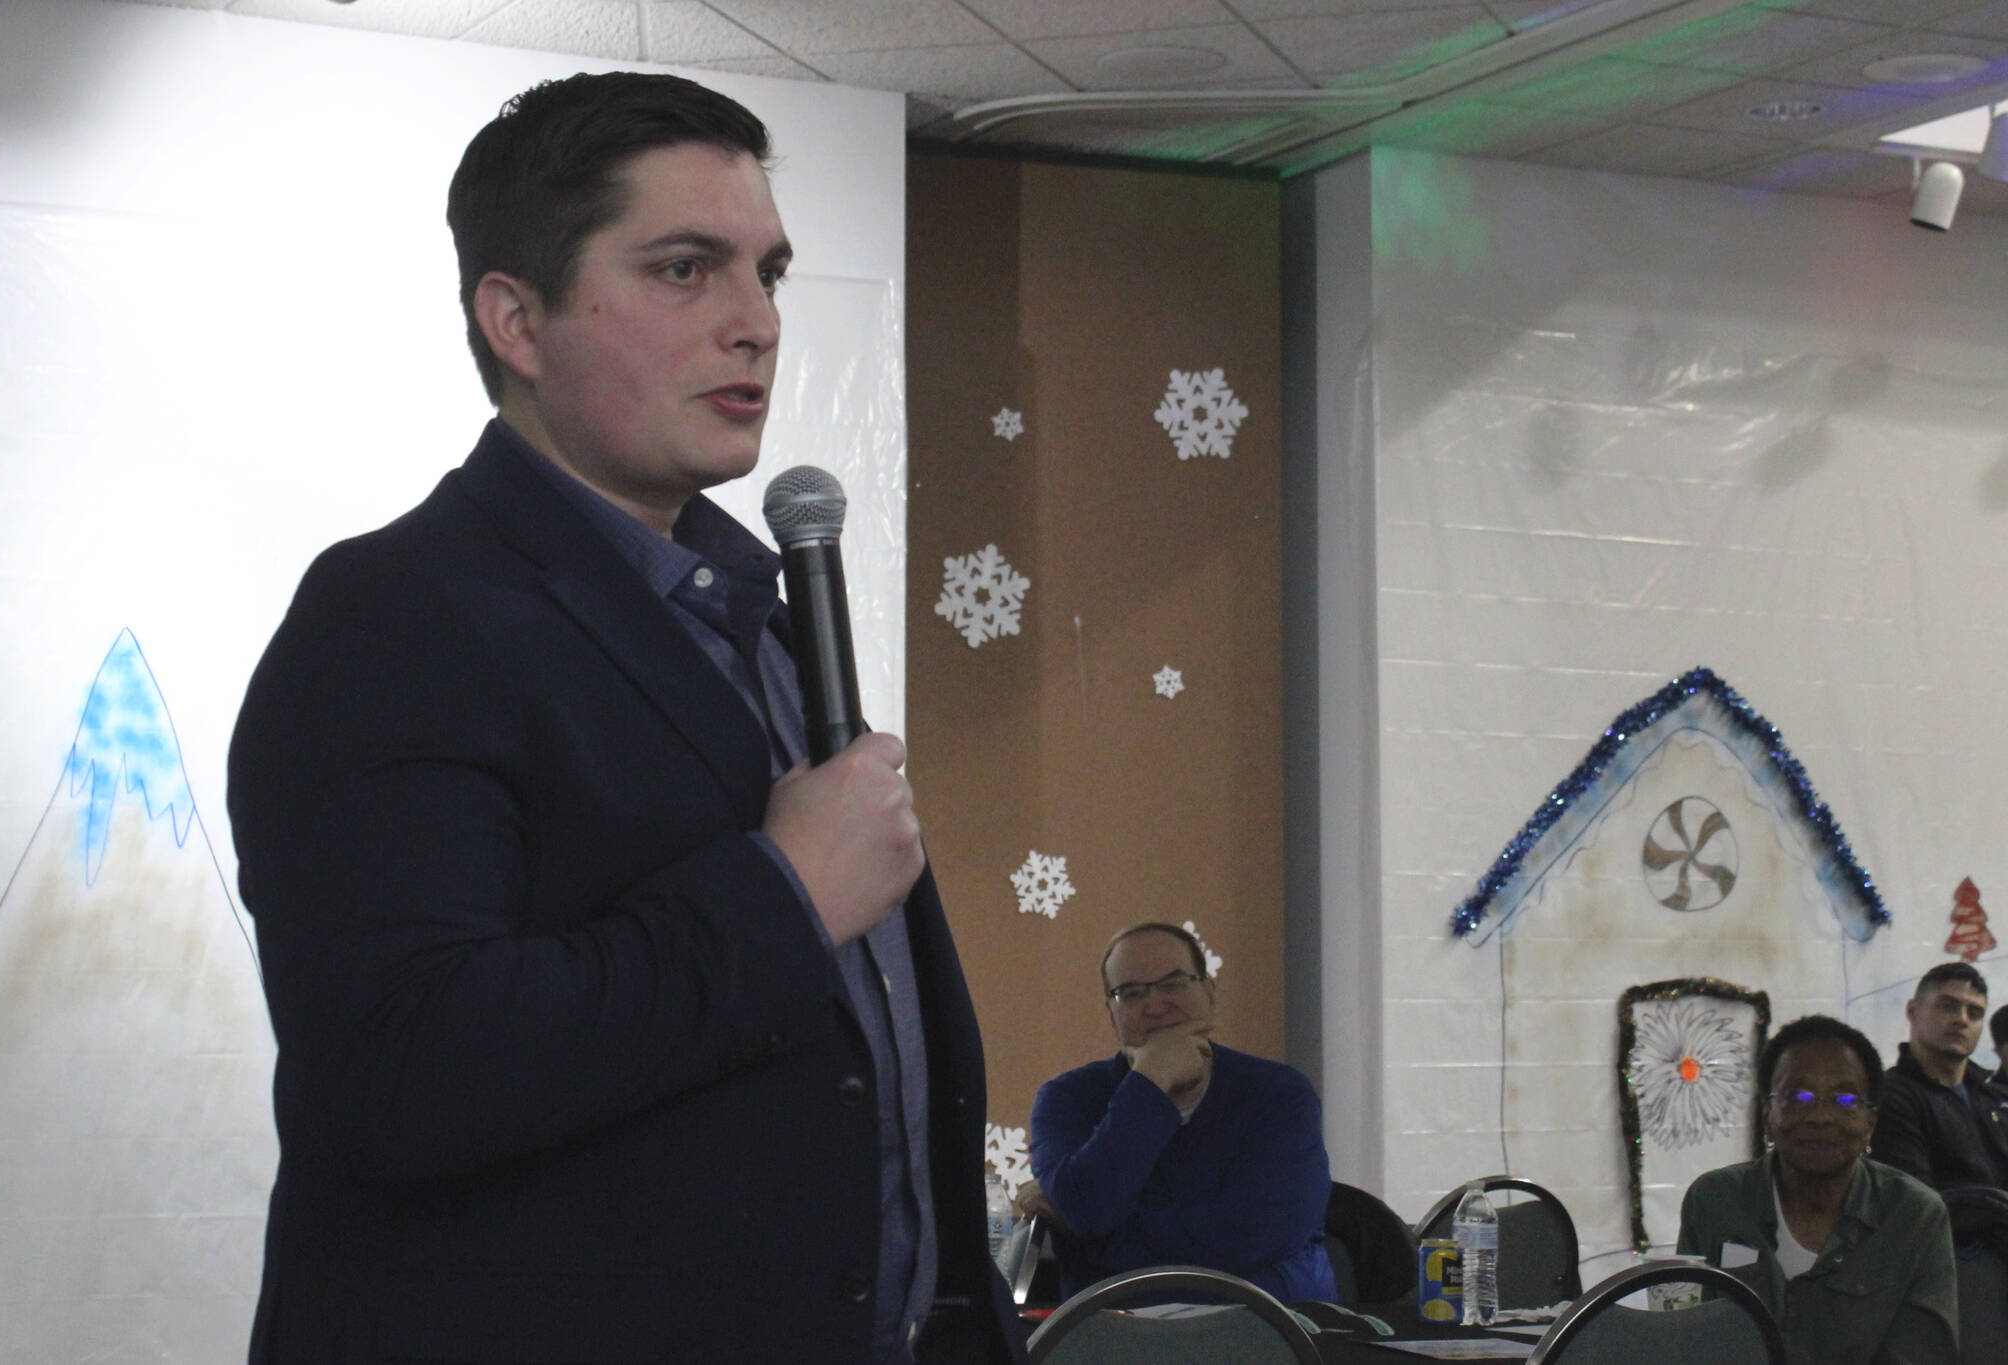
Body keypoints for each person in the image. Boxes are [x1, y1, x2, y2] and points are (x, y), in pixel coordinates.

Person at [227, 72, 1022, 1365]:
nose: (757, 322)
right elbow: (401, 1071)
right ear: (518, 320)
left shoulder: (755, 614)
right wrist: (785, 889)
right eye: (684, 270)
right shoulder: (394, 616)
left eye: (768, 271)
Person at [1015, 923, 1336, 1303]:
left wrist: (1098, 1244)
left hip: (1272, 1328)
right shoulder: (1066, 1099)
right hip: (1116, 1339)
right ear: (1111, 1014)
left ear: (1209, 991)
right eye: (1131, 993)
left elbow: (1260, 1235)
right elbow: (1090, 1207)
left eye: (1173, 984)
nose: (1154, 1005)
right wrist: (1150, 1083)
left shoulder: (1281, 1094)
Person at [1677, 1014, 1957, 1364]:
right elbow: (1685, 1338)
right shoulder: (1716, 1201)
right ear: (1767, 1115)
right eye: (1799, 1095)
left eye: (1844, 1101)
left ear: (1870, 1123)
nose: (1820, 1117)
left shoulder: (1914, 1216)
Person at [1874, 961, 2008, 1191]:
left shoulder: (1994, 1094)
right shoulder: (1889, 1097)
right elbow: (1917, 1206)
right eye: (1948, 1006)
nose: (1962, 1020)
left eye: (1974, 1013)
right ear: (1912, 1011)